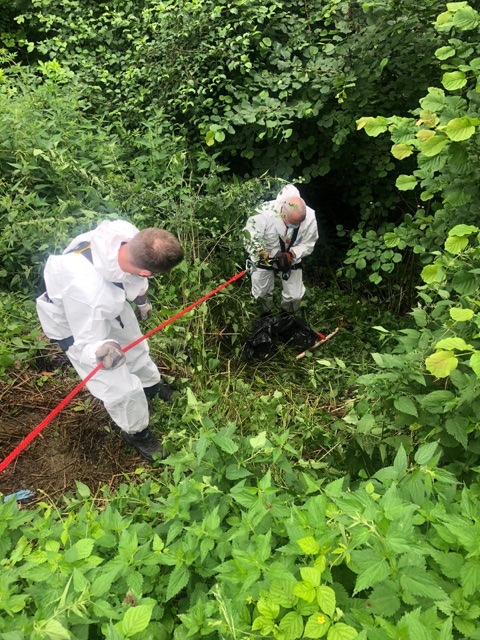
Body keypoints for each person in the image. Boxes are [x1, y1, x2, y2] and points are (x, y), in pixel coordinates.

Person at [36, 219, 184, 462]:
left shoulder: (124, 235)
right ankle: (137, 432)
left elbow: (136, 277)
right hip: (76, 326)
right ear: (147, 272)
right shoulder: (88, 294)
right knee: (118, 386)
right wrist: (103, 350)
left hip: (109, 301)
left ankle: (152, 386)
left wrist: (141, 300)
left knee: (134, 346)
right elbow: (86, 342)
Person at [243, 184, 319, 315]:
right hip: (264, 259)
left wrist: (293, 254)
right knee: (262, 294)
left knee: (295, 296)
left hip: (290, 259)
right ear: (283, 213)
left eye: (299, 223)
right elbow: (250, 237)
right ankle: (264, 319)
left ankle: (286, 318)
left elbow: (309, 242)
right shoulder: (262, 213)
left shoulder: (310, 216)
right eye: (293, 223)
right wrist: (259, 252)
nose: (297, 226)